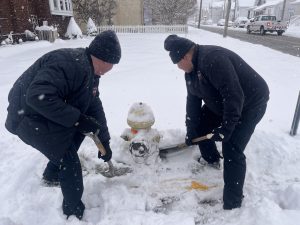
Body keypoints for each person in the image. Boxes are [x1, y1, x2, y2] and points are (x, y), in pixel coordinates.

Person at [5, 30, 121, 219]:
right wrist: (77, 119)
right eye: (112, 64)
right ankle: (73, 213)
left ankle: (51, 175)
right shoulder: (70, 65)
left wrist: (104, 141)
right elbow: (37, 96)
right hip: (26, 115)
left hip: (40, 113)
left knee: (78, 132)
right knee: (69, 160)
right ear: (102, 58)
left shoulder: (90, 71)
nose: (112, 68)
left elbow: (94, 108)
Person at [164, 35, 269, 210]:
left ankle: (233, 203)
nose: (178, 68)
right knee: (200, 125)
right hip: (223, 103)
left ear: (185, 57)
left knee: (232, 148)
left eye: (177, 63)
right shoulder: (191, 71)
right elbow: (193, 102)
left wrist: (227, 128)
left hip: (250, 103)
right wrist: (191, 130)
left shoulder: (213, 59)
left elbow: (234, 96)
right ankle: (212, 160)